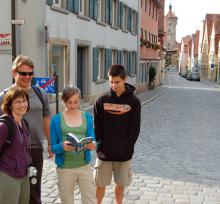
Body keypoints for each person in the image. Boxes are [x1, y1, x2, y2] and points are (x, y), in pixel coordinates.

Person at [0, 55, 53, 204]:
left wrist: (49, 142)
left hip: (35, 148)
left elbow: (46, 118)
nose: (27, 77)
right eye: (23, 73)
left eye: (30, 73)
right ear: (13, 72)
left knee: (34, 192)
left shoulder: (40, 93)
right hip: (12, 151)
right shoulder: (4, 96)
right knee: (12, 192)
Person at [94, 64, 141, 204]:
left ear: (124, 79)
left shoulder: (134, 102)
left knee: (120, 185)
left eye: (117, 82)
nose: (114, 86)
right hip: (104, 153)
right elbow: (97, 126)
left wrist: (127, 147)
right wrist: (100, 144)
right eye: (111, 82)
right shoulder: (101, 101)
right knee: (99, 184)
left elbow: (135, 128)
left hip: (123, 153)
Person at [50, 86, 97, 204]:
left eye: (76, 102)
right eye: (69, 102)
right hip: (65, 168)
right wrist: (62, 146)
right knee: (67, 201)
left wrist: (93, 144)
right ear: (64, 101)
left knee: (90, 200)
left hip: (84, 167)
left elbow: (92, 138)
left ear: (79, 100)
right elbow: (53, 148)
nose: (72, 105)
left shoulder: (87, 117)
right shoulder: (56, 120)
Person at [0, 87, 31, 204]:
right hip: (8, 177)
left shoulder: (24, 123)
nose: (22, 104)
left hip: (24, 176)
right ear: (9, 105)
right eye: (17, 101)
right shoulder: (4, 126)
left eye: (24, 101)